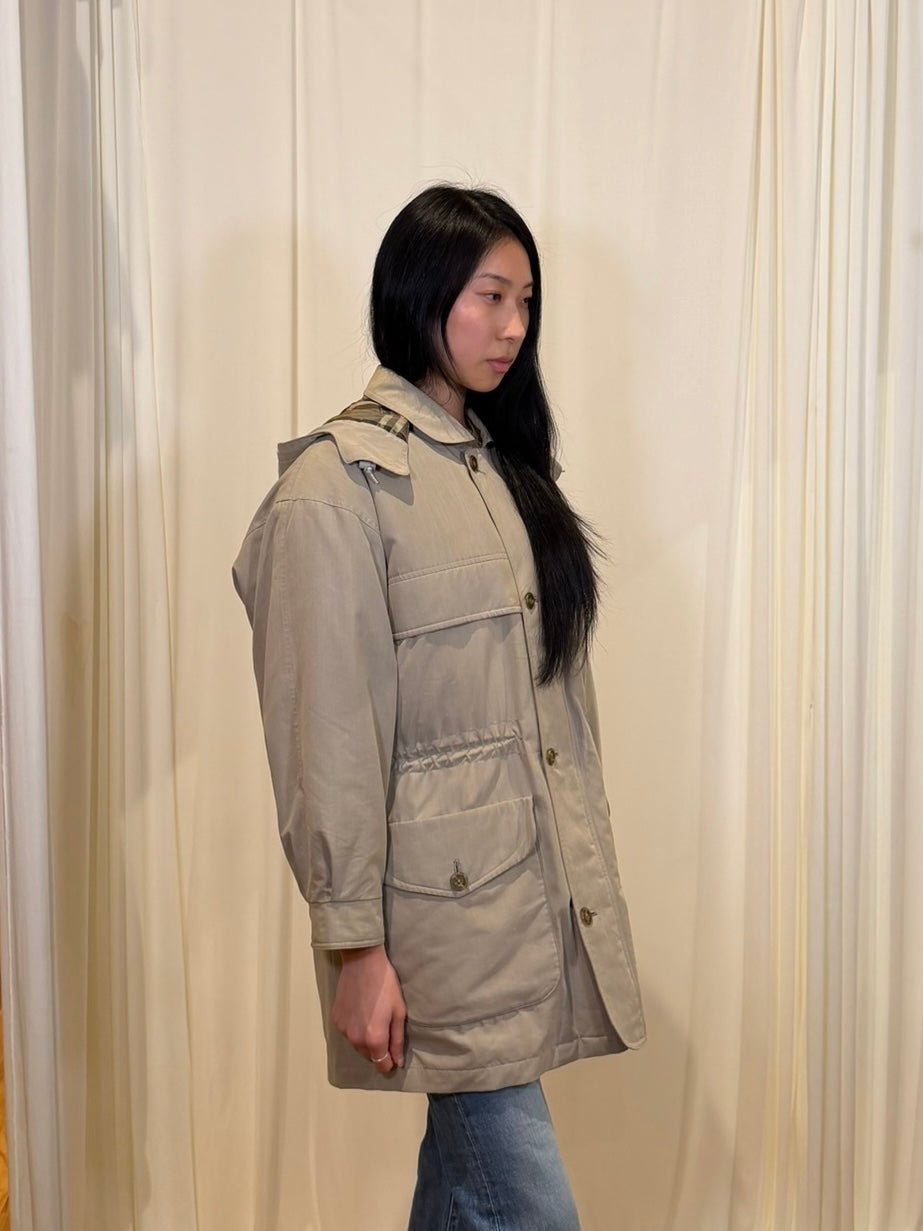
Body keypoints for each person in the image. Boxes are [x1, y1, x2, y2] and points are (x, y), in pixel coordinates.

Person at [233, 185, 646, 1230]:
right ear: (420, 296)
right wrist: (353, 946)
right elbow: (325, 737)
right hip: (436, 931)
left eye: (525, 301)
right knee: (527, 1206)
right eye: (488, 296)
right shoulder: (335, 490)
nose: (512, 327)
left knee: (467, 1197)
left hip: (519, 910)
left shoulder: (498, 471)